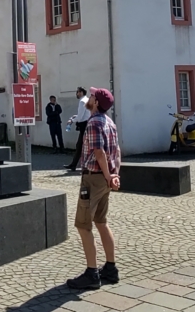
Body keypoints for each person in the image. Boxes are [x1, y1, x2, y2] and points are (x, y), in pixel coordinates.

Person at [66, 88, 121, 290]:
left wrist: (108, 176)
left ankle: (92, 273)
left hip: (94, 179)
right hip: (105, 180)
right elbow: (117, 151)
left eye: (93, 96)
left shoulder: (94, 123)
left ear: (96, 102)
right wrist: (115, 175)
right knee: (101, 221)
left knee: (83, 224)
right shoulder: (110, 123)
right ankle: (110, 268)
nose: (89, 99)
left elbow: (99, 152)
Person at [64, 87, 92, 171]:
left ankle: (75, 165)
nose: (77, 94)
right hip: (87, 124)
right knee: (82, 145)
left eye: (78, 92)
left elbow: (80, 118)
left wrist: (71, 120)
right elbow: (83, 115)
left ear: (82, 92)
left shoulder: (82, 101)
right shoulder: (87, 100)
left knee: (80, 145)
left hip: (84, 125)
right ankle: (74, 164)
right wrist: (75, 117)